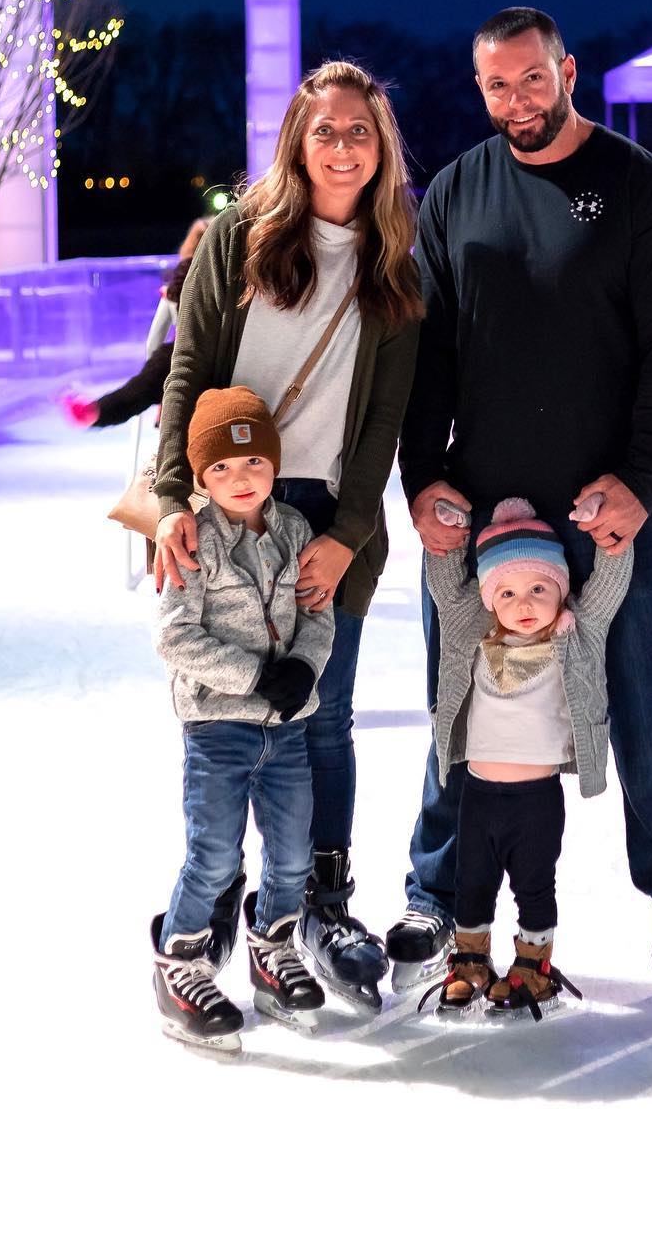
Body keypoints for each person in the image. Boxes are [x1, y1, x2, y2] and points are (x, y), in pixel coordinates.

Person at [395, 5, 652, 1010]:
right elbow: (428, 350)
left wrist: (644, 482)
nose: (518, 101)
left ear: (569, 71)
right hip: (484, 511)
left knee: (642, 701)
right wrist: (423, 476)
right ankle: (435, 896)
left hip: (606, 509)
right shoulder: (456, 191)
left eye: (533, 78)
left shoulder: (640, 187)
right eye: (497, 85)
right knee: (462, 699)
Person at [154, 61, 422, 1011]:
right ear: (296, 142)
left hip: (328, 510)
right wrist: (172, 497)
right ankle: (217, 895)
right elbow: (189, 370)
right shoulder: (241, 237)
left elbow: (384, 418)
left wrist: (349, 532)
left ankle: (319, 901)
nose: (342, 147)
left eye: (360, 131)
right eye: (325, 131)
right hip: (229, 500)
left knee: (322, 716)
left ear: (381, 145)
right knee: (229, 708)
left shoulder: (394, 263)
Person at [151, 387, 335, 1050]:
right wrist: (254, 675)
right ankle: (180, 966)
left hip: (286, 726)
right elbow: (175, 637)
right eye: (221, 468)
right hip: (218, 728)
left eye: (254, 461)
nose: (240, 478)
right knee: (212, 857)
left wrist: (304, 666)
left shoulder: (295, 531)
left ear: (274, 463)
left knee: (292, 855)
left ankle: (272, 951)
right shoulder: (191, 539)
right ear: (201, 476)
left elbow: (318, 613)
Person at [419, 497, 631, 1020]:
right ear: (491, 599)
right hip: (479, 793)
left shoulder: (575, 632)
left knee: (534, 885)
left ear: (560, 588)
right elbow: (445, 584)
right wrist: (450, 530)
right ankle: (470, 961)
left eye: (539, 588)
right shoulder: (474, 629)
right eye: (508, 592)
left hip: (537, 799)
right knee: (472, 881)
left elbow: (609, 583)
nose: (525, 603)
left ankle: (533, 967)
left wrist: (605, 529)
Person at [63, 217, 208, 429]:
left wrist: (154, 376)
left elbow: (154, 340)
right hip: (218, 358)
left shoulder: (178, 282)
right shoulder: (227, 279)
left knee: (147, 382)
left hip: (183, 358)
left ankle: (96, 411)